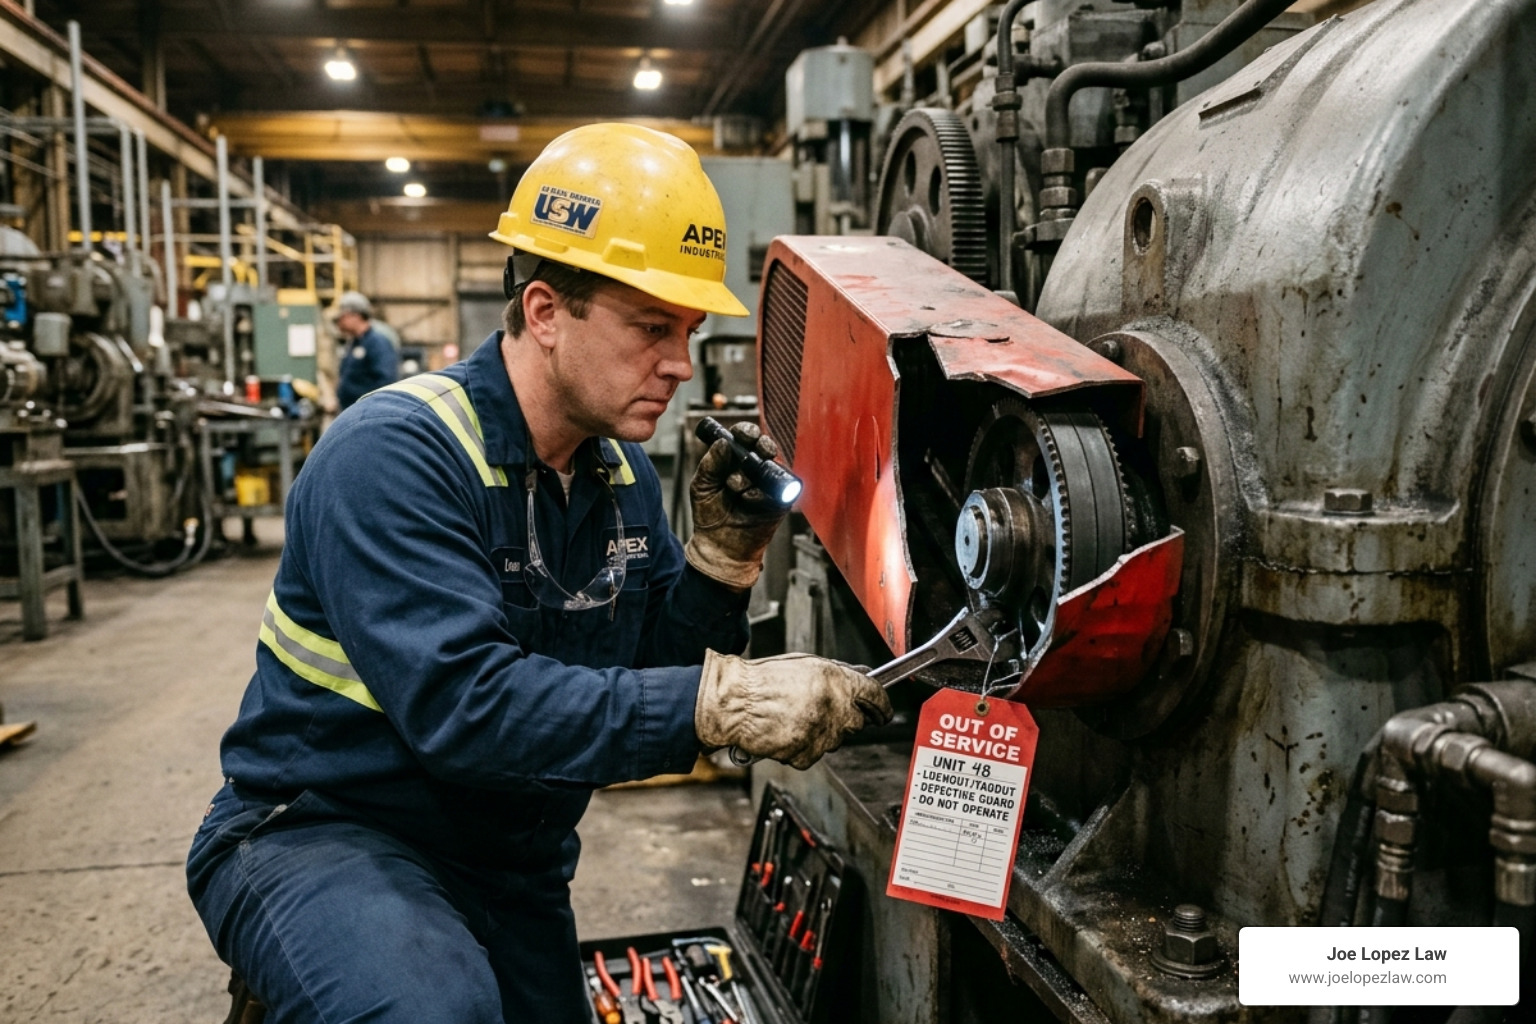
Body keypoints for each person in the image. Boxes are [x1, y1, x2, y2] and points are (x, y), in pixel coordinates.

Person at [185, 123, 892, 1024]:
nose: (679, 365)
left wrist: (721, 564)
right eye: (651, 328)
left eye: (687, 331)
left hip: (508, 857)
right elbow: (465, 707)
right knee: (434, 1015)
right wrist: (722, 702)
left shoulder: (617, 473)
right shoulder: (393, 455)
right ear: (547, 312)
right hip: (326, 830)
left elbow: (650, 676)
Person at [332, 289, 399, 409]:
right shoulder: (353, 343)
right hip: (352, 409)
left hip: (368, 410)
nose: (339, 322)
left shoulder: (377, 342)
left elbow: (386, 380)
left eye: (343, 317)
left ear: (356, 316)